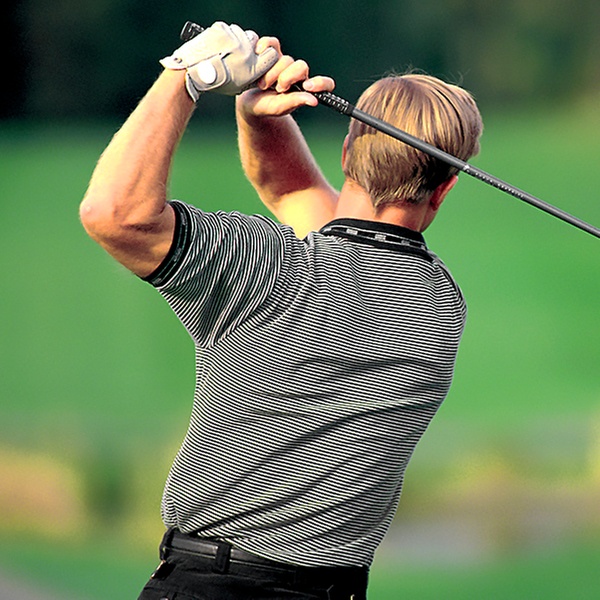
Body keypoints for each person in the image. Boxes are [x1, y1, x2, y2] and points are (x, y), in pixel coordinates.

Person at [80, 21, 483, 600]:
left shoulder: (272, 266)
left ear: (347, 152)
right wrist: (260, 118)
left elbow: (114, 214)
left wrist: (186, 75)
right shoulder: (439, 300)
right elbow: (302, 200)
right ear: (445, 188)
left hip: (212, 586)